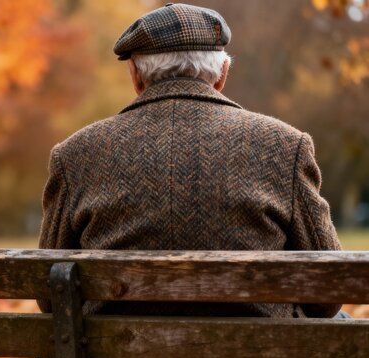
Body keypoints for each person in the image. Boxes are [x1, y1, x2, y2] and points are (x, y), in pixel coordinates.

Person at [37, 3, 345, 318]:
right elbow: (327, 296)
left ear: (136, 76)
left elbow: (49, 295)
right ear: (222, 74)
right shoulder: (286, 146)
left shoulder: (75, 155)